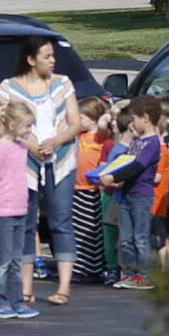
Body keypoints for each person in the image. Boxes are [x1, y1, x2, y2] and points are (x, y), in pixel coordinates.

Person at [0, 38, 79, 300]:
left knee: (61, 221)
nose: (52, 60)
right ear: (31, 59)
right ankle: (26, 288)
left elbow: (75, 123)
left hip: (61, 158)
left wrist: (56, 141)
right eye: (46, 56)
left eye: (53, 55)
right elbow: (4, 124)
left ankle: (64, 287)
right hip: (25, 161)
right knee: (26, 222)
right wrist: (32, 146)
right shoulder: (9, 88)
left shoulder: (63, 84)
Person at [0, 100, 39, 319]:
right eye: (26, 126)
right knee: (3, 261)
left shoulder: (21, 147)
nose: (29, 130)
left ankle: (17, 302)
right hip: (1, 212)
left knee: (17, 260)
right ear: (12, 125)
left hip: (19, 209)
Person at [101, 101, 165, 287]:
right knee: (126, 238)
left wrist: (114, 175)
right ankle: (129, 273)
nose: (132, 123)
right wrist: (109, 176)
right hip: (126, 193)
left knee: (140, 238)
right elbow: (125, 162)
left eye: (135, 119)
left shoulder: (152, 144)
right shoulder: (137, 141)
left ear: (145, 118)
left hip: (141, 195)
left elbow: (137, 166)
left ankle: (144, 276)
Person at [66, 95, 112, 300]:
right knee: (79, 230)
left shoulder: (101, 137)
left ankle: (96, 268)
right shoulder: (80, 136)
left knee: (95, 230)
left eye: (82, 117)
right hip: (78, 189)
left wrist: (103, 118)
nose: (78, 121)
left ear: (94, 119)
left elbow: (107, 124)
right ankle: (80, 268)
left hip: (94, 189)